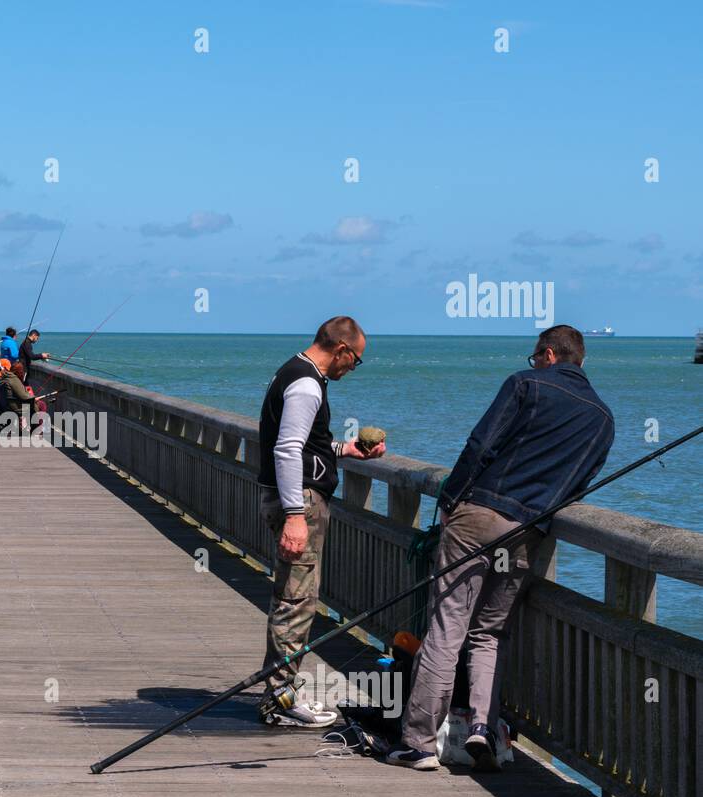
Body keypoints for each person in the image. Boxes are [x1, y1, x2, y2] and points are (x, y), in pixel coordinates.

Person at [387, 325, 614, 772]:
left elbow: (480, 445)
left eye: (536, 357)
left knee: (447, 628)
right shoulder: (603, 420)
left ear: (548, 355)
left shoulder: (524, 384)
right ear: (580, 362)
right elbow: (579, 483)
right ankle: (483, 727)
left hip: (479, 514)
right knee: (489, 632)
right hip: (528, 530)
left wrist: (450, 500)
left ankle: (417, 743)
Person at [257, 316, 385, 728]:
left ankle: (279, 692)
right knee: (296, 602)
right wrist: (295, 515)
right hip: (301, 503)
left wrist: (344, 449)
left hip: (292, 496)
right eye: (356, 360)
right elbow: (287, 449)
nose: (353, 368)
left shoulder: (292, 372)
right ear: (342, 350)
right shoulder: (308, 384)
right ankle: (280, 699)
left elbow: (306, 443)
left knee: (291, 597)